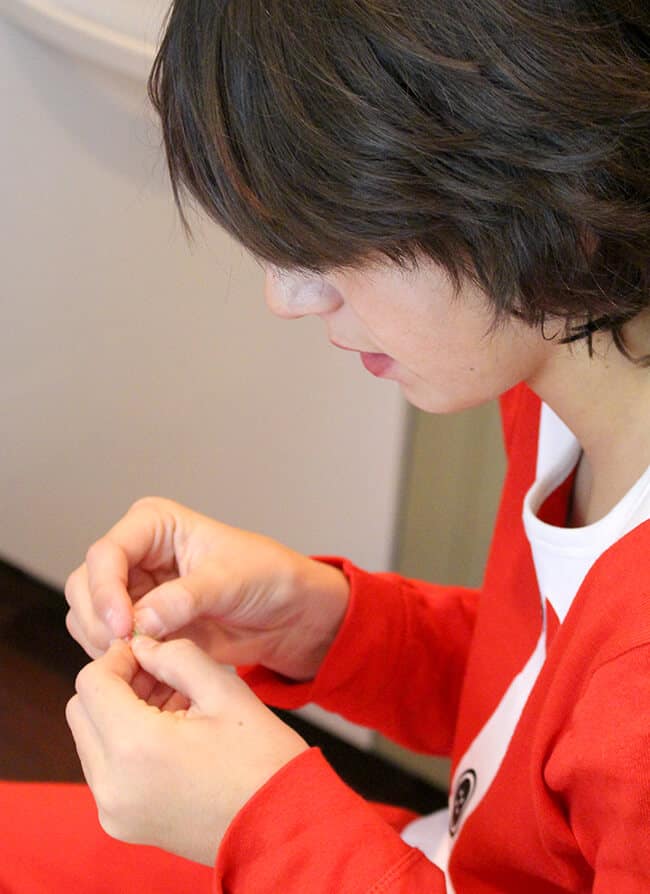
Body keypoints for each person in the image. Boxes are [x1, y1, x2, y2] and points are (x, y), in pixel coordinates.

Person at [1, 1, 648, 891]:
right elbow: (548, 714)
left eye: (332, 235)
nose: (288, 296)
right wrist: (333, 628)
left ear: (553, 180)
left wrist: (262, 828)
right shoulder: (566, 385)